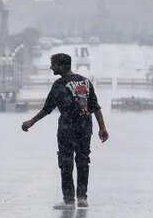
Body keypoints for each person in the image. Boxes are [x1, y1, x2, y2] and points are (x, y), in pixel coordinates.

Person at [21, 53, 109, 209]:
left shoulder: (59, 85)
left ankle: (69, 200)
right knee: (83, 161)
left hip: (67, 128)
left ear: (61, 66)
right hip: (85, 126)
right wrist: (102, 127)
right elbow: (95, 107)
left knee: (66, 161)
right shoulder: (85, 82)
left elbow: (47, 109)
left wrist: (31, 122)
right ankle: (82, 198)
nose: (51, 67)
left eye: (53, 64)